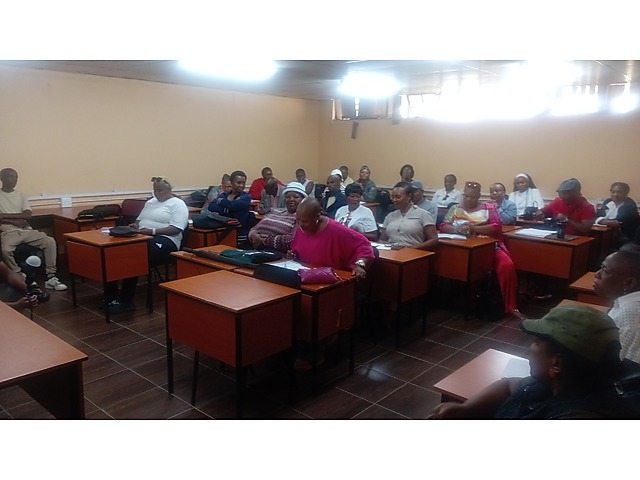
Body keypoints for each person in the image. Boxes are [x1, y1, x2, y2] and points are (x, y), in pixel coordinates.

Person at [428, 304, 638, 419]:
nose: (529, 349)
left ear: (556, 364)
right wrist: (466, 409)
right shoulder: (562, 384)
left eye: (536, 343)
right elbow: (509, 385)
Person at [440, 181, 523, 320]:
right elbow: (443, 225)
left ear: (478, 196)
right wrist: (456, 229)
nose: (468, 199)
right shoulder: (455, 208)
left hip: (488, 248)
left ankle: (511, 306)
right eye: (466, 196)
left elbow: (496, 227)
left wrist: (473, 228)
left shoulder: (489, 207)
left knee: (507, 265)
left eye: (472, 197)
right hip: (462, 248)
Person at [106, 176, 189, 314]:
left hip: (166, 240)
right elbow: (140, 221)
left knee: (134, 255)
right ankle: (111, 296)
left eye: (160, 190)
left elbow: (176, 229)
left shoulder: (178, 204)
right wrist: (135, 225)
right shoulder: (151, 202)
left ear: (169, 190)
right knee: (115, 250)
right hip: (143, 236)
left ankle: (126, 301)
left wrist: (152, 231)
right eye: (155, 190)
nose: (157, 193)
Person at [0, 168, 67, 291]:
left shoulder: (21, 195)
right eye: (10, 177)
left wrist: (4, 215)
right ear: (2, 178)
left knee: (49, 241)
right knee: (5, 250)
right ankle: (19, 275)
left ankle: (51, 277)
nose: (14, 180)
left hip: (26, 230)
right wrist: (14, 221)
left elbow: (27, 215)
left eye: (16, 177)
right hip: (8, 232)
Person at [290, 197, 375, 279]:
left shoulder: (336, 230)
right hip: (307, 275)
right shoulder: (302, 230)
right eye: (298, 220)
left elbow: (364, 244)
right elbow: (299, 251)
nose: (300, 224)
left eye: (304, 221)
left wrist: (359, 265)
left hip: (333, 279)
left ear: (317, 217)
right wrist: (293, 254)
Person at [593, 246, 640, 365]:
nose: (597, 274)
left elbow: (616, 367)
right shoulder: (627, 304)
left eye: (605, 271)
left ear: (629, 283)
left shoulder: (629, 318)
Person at [247, 181, 306, 253]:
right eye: (288, 197)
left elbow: (292, 240)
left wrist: (265, 240)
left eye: (296, 197)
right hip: (257, 250)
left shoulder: (302, 217)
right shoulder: (275, 211)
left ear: (303, 200)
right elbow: (255, 228)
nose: (291, 199)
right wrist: (253, 235)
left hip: (278, 254)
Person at [379, 182, 438, 251]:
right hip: (391, 252)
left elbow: (434, 240)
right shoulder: (390, 216)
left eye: (398, 197)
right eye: (392, 197)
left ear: (409, 196)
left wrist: (412, 248)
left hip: (413, 252)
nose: (394, 200)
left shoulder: (423, 214)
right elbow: (382, 240)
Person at [208, 170, 253, 248]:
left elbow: (232, 205)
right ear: (231, 182)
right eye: (238, 182)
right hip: (224, 232)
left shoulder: (246, 197)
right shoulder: (225, 195)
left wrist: (221, 202)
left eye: (243, 183)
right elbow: (211, 206)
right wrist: (228, 209)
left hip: (239, 235)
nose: (241, 185)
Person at [595, 182, 640, 248]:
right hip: (605, 235)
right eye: (613, 192)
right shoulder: (608, 202)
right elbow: (596, 216)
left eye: (619, 192)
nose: (615, 195)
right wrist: (605, 221)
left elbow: (617, 223)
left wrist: (602, 221)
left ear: (626, 193)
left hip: (625, 238)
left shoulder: (630, 205)